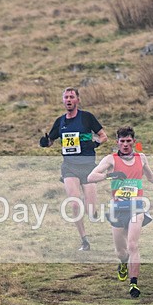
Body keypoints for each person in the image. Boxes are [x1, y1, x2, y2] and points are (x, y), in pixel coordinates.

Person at [87, 126, 153, 298]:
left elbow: (151, 177)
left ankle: (133, 284)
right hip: (117, 209)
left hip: (136, 207)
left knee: (133, 244)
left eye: (128, 141)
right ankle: (123, 262)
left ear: (133, 141)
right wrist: (111, 176)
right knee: (121, 252)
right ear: (117, 142)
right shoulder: (111, 159)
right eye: (122, 141)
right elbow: (91, 177)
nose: (125, 144)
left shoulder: (141, 158)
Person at [40, 87, 108, 251]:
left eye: (71, 97)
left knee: (90, 208)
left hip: (88, 166)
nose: (68, 100)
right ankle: (84, 240)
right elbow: (51, 141)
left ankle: (92, 210)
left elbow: (104, 136)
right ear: (63, 101)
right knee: (75, 203)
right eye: (66, 97)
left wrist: (96, 143)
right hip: (69, 167)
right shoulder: (60, 122)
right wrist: (44, 142)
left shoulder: (87, 117)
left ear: (77, 100)